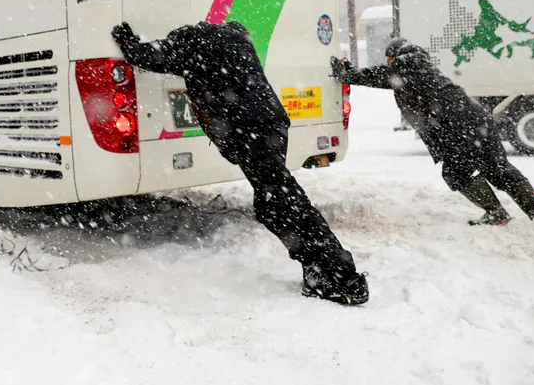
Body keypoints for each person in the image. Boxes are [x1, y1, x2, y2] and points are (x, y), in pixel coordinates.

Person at [112, 20, 368, 306]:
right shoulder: (234, 39)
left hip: (248, 130)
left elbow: (151, 56)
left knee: (280, 202)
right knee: (277, 199)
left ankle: (338, 275)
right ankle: (323, 268)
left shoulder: (191, 42)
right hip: (270, 124)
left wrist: (129, 42)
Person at [332, 38, 534, 226]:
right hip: (475, 119)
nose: (390, 64)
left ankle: (496, 213)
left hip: (457, 126)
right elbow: (384, 75)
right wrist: (353, 73)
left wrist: (349, 75)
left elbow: (382, 75)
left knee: (456, 173)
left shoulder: (408, 63)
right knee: (497, 168)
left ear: (396, 56)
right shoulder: (418, 64)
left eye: (390, 60)